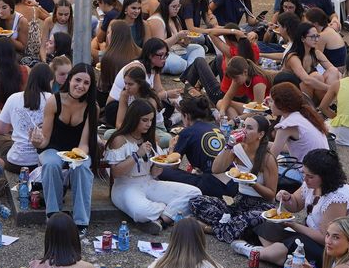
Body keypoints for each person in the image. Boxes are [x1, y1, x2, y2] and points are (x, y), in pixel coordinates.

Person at [245, 149, 349, 268]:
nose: (305, 179)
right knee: (268, 226)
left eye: (310, 176)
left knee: (296, 243)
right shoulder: (312, 184)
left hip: (331, 249)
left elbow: (325, 238)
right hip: (309, 235)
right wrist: (287, 198)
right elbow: (295, 204)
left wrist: (295, 226)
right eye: (304, 174)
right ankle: (275, 254)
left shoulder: (337, 199)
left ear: (325, 177)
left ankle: (256, 253)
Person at [105, 100, 199, 234]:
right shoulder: (119, 139)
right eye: (144, 120)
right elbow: (116, 173)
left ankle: (162, 219)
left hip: (149, 182)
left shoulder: (150, 138)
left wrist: (165, 158)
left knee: (194, 193)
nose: (149, 124)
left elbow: (154, 173)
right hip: (126, 186)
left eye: (151, 120)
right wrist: (137, 155)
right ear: (133, 118)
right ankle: (171, 212)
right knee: (141, 211)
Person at [189, 113, 278, 243]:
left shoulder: (268, 159)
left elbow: (271, 195)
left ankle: (212, 228)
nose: (244, 131)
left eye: (249, 128)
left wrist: (252, 183)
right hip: (239, 201)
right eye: (243, 126)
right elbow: (216, 169)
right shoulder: (237, 149)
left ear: (261, 134)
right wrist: (229, 146)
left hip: (261, 206)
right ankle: (232, 227)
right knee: (196, 201)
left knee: (255, 217)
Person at [34, 63, 97, 233]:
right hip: (53, 147)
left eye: (86, 83)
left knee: (82, 168)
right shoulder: (54, 101)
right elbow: (45, 140)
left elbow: (84, 143)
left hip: (77, 150)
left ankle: (81, 222)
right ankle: (53, 215)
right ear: (69, 80)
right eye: (77, 80)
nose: (80, 86)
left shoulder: (92, 107)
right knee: (51, 164)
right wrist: (36, 142)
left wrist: (77, 157)